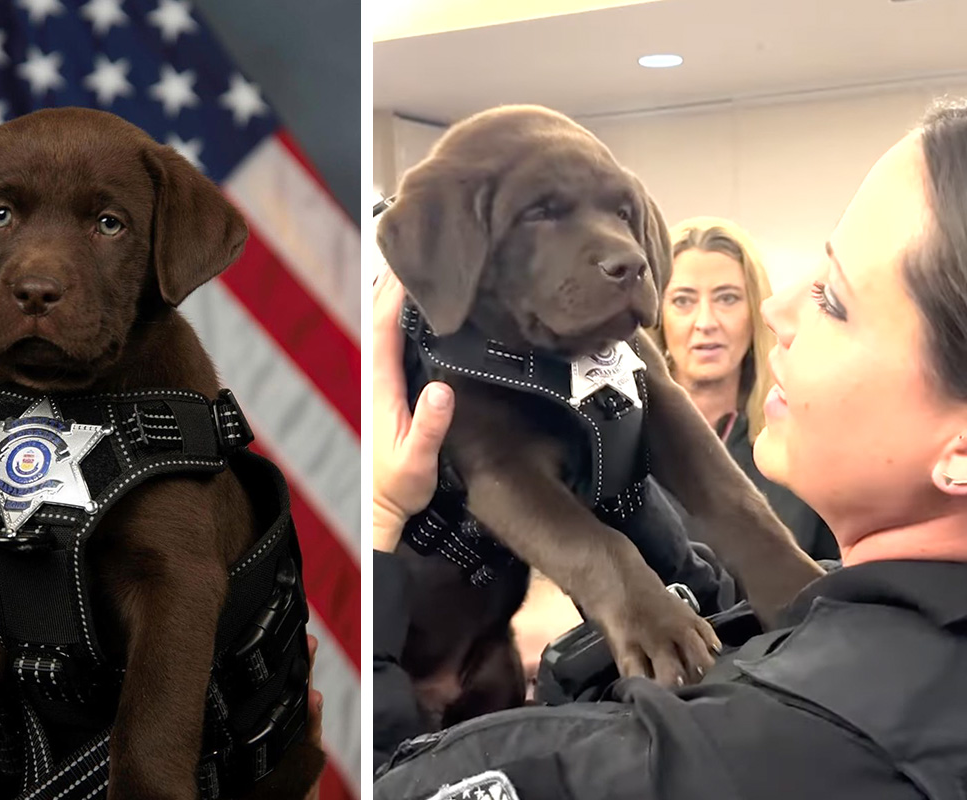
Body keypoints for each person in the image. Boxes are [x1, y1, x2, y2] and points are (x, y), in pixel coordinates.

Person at [374, 100, 967, 799]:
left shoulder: (671, 761)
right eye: (543, 213)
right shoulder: (906, 646)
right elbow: (710, 584)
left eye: (832, 300)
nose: (776, 312)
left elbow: (384, 775)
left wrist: (378, 520)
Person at [657, 217, 838, 559]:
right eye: (683, 300)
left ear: (755, 313)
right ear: (658, 316)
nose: (706, 322)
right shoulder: (625, 447)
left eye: (727, 299)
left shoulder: (799, 443)